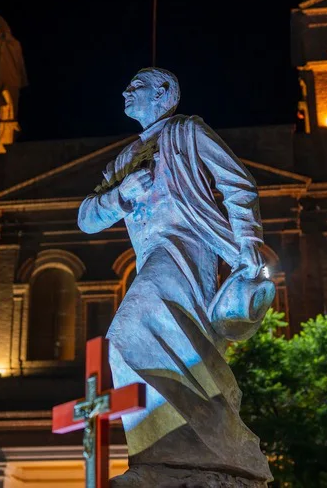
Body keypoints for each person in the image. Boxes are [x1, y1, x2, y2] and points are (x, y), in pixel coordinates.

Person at [78, 68, 273, 485]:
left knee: (130, 334)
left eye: (138, 86)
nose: (126, 91)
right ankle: (168, 451)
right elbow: (87, 217)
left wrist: (247, 240)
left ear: (165, 94)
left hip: (190, 250)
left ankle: (183, 448)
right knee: (173, 348)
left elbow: (238, 183)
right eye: (127, 85)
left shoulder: (188, 131)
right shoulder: (123, 160)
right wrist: (121, 195)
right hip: (154, 257)